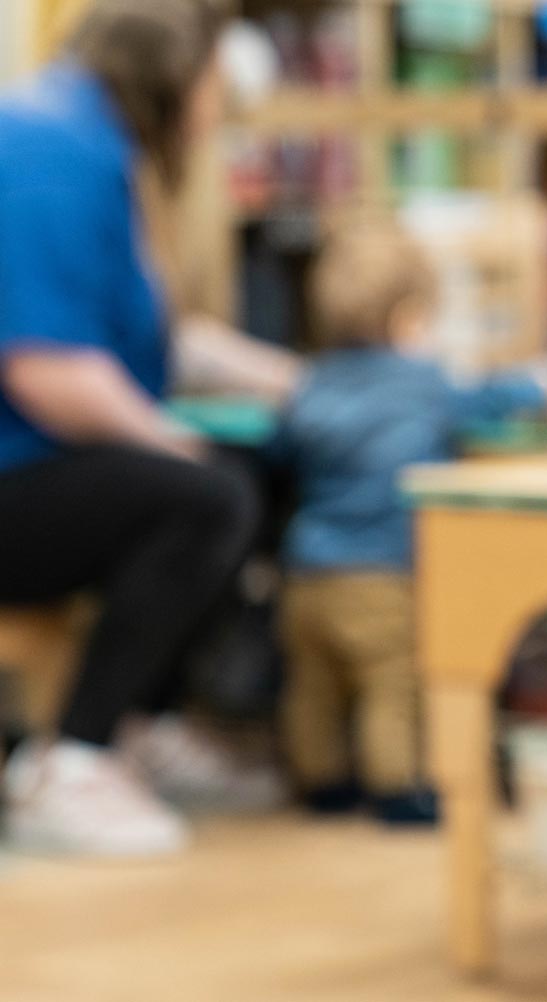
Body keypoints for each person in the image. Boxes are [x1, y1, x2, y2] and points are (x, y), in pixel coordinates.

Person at [0, 0, 287, 858]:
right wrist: (172, 441)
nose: (220, 106)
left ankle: (144, 723)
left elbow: (162, 340)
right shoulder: (50, 150)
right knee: (204, 497)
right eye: (215, 83)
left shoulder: (84, 144)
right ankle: (74, 759)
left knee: (247, 472)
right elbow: (51, 375)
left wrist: (311, 381)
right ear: (176, 75)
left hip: (36, 466)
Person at [272, 219, 547, 825]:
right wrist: (540, 381)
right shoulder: (423, 385)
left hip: (306, 572)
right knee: (393, 683)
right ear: (409, 318)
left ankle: (319, 780)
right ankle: (396, 785)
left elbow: (282, 447)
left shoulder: (311, 382)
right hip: (382, 571)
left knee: (313, 687)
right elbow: (488, 399)